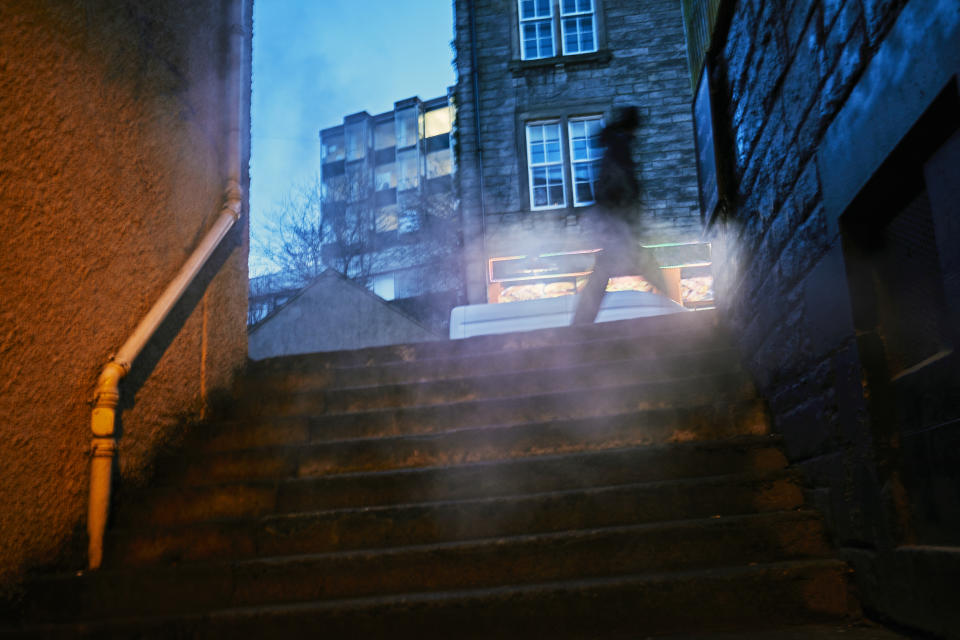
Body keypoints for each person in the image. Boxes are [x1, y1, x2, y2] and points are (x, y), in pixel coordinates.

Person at [571, 105, 668, 325]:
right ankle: (677, 311)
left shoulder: (615, 144)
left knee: (607, 269)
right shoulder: (620, 145)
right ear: (632, 126)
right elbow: (620, 185)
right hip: (618, 222)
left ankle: (580, 323)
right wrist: (628, 219)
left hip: (614, 221)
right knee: (641, 263)